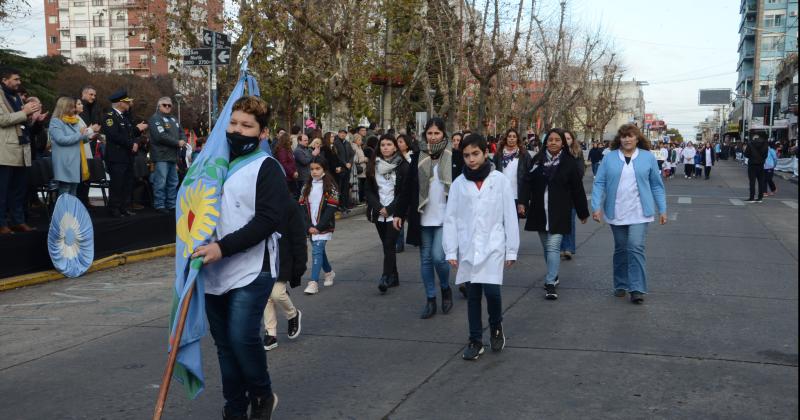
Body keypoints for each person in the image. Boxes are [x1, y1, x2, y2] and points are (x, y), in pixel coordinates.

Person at [191, 96, 286, 420]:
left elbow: (268, 220)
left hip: (251, 268)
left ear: (262, 133)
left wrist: (223, 248)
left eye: (247, 126)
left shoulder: (267, 167)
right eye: (233, 123)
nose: (237, 130)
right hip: (212, 270)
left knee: (242, 337)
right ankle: (234, 408)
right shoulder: (211, 165)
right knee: (225, 347)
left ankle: (261, 395)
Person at [443, 133, 519, 361]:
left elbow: (509, 216)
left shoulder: (499, 181)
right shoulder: (459, 184)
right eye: (466, 155)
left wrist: (511, 249)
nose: (471, 159)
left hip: (494, 244)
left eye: (475, 154)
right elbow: (451, 218)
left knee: (493, 293)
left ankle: (496, 325)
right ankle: (475, 340)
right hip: (469, 247)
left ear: (485, 153)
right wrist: (450, 249)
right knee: (473, 295)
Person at [591, 124, 667, 304]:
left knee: (635, 247)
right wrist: (596, 207)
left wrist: (662, 209)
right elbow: (599, 182)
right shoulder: (610, 158)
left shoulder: (647, 157)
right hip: (616, 211)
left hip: (640, 212)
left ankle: (637, 288)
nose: (627, 139)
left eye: (630, 136)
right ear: (620, 139)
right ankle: (620, 284)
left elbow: (656, 185)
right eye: (624, 136)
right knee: (621, 249)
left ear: (637, 138)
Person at [394, 117, 456, 319]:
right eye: (429, 133)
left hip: (445, 216)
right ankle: (430, 299)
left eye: (437, 133)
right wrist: (399, 213)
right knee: (426, 260)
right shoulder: (418, 157)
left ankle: (445, 288)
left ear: (443, 134)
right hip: (422, 216)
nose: (433, 136)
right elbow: (407, 189)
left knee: (439, 257)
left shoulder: (453, 156)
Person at [518, 128, 589, 300]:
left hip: (560, 211)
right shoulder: (538, 160)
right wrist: (522, 202)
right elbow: (527, 182)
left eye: (557, 140)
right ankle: (554, 274)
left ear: (562, 143)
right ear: (545, 142)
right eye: (550, 140)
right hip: (539, 210)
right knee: (547, 248)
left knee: (553, 246)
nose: (553, 142)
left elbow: (577, 189)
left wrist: (582, 212)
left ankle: (550, 283)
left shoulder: (569, 162)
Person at [365, 134, 410, 294]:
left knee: (390, 244)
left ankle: (385, 277)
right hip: (379, 212)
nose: (385, 147)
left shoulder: (403, 166)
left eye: (389, 144)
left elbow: (404, 192)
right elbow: (368, 191)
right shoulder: (373, 165)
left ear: (395, 147)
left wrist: (389, 209)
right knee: (386, 245)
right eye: (382, 144)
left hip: (395, 213)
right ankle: (394, 276)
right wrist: (378, 207)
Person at [263, 192, 307, 351]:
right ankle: (271, 332)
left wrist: (300, 264)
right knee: (266, 296)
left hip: (283, 257)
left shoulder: (289, 204)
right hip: (262, 257)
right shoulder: (259, 201)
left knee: (276, 293)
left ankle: (292, 314)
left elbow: (298, 236)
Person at [0, 67, 39, 234]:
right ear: (4, 80)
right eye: (15, 79)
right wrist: (24, 112)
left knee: (18, 191)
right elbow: (2, 120)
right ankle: (1, 224)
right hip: (5, 152)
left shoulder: (16, 97)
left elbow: (22, 121)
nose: (19, 82)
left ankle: (17, 221)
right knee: (2, 191)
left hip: (22, 150)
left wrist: (32, 118)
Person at [101, 89, 147, 218]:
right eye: (126, 102)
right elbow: (114, 135)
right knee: (117, 184)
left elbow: (130, 132)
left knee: (127, 183)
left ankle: (123, 207)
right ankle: (114, 208)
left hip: (127, 156)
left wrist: (136, 137)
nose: (129, 104)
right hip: (116, 156)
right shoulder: (109, 116)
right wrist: (130, 144)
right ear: (120, 103)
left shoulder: (123, 117)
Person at [299, 156, 338, 295]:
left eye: (317, 168)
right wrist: (308, 226)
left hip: (324, 226)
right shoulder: (306, 186)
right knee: (319, 251)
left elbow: (331, 208)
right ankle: (329, 272)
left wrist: (319, 227)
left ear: (324, 169)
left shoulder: (330, 186)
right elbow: (302, 207)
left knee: (316, 250)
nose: (314, 172)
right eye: (312, 169)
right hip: (310, 226)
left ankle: (313, 282)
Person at [48, 96, 92, 197]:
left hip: (75, 161)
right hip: (65, 162)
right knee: (65, 190)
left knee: (73, 190)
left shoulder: (74, 121)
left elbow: (78, 138)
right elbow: (61, 139)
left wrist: (88, 134)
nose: (74, 109)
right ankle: (63, 212)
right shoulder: (56, 121)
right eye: (72, 107)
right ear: (65, 107)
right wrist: (80, 134)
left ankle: (71, 212)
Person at [148, 96, 186, 213]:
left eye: (169, 105)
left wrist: (183, 140)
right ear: (159, 106)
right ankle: (159, 205)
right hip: (161, 156)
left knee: (173, 182)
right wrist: (177, 142)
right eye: (165, 105)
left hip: (173, 156)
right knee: (161, 182)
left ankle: (171, 204)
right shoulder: (155, 118)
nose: (168, 107)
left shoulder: (174, 119)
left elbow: (182, 132)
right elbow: (160, 136)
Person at [559, 129, 585, 261]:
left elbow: (580, 173)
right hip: (558, 193)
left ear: (572, 140)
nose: (566, 141)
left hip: (572, 193)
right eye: (564, 138)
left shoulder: (577, 153)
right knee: (558, 221)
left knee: (570, 221)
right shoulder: (555, 154)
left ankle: (568, 248)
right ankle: (560, 247)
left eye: (568, 138)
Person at [394, 134, 413, 253]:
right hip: (398, 191)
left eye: (401, 142)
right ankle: (398, 244)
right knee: (399, 216)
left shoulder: (412, 157)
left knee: (411, 218)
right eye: (398, 142)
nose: (399, 144)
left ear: (407, 143)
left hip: (410, 191)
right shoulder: (395, 158)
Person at [334, 129, 354, 209]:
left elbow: (352, 154)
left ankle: (345, 204)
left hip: (347, 168)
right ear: (338, 134)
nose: (342, 134)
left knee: (346, 187)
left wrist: (350, 163)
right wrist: (345, 163)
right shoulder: (336, 143)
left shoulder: (347, 143)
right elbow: (337, 156)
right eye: (341, 133)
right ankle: (339, 205)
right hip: (340, 168)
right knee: (340, 187)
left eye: (344, 133)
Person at [273, 132, 299, 196]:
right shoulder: (282, 150)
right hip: (286, 177)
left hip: (290, 177)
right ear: (285, 140)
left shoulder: (287, 149)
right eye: (289, 139)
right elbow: (284, 164)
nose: (291, 140)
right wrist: (292, 173)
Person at [744, 135, 768, 203]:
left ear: (754, 138)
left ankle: (752, 197)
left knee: (752, 182)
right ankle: (760, 198)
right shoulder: (765, 144)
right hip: (761, 165)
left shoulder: (750, 143)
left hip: (752, 164)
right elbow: (766, 155)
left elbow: (746, 154)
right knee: (761, 182)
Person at [293, 133, 314, 199]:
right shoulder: (297, 151)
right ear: (299, 141)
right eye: (305, 140)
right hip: (302, 177)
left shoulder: (306, 149)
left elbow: (311, 161)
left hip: (308, 175)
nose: (307, 142)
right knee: (302, 195)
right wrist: (312, 155)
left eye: (307, 140)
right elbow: (305, 161)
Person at [352, 134, 368, 203]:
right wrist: (364, 159)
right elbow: (355, 160)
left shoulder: (359, 147)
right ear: (355, 140)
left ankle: (361, 198)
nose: (360, 141)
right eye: (359, 140)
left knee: (362, 185)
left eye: (361, 140)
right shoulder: (354, 147)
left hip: (363, 169)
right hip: (359, 169)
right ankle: (359, 199)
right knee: (359, 185)